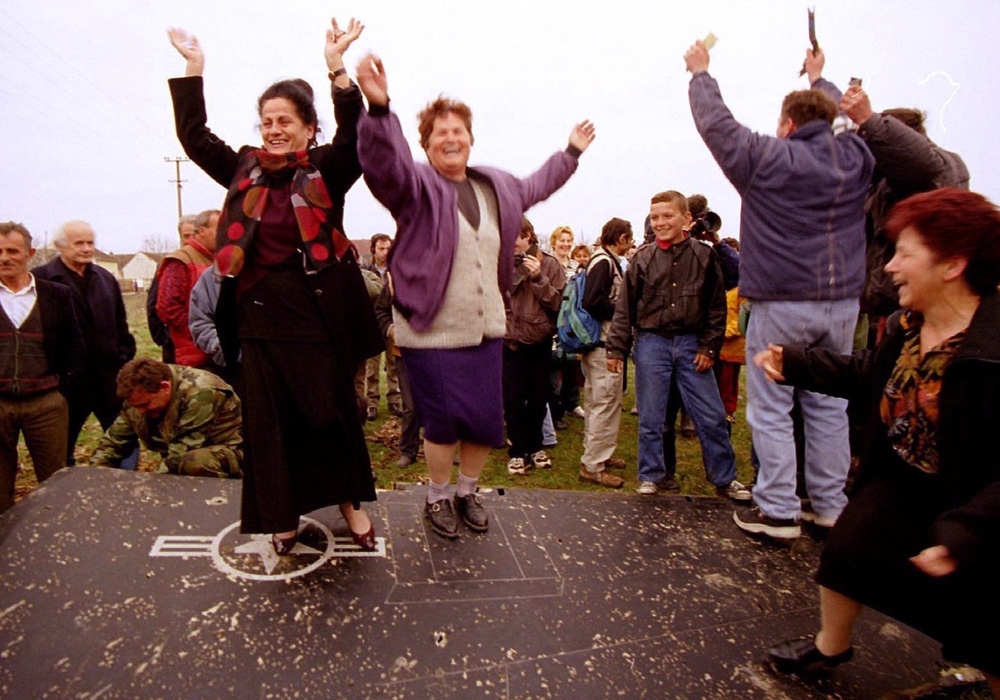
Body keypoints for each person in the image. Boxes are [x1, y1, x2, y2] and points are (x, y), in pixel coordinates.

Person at [758, 189, 1000, 693]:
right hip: (905, 477)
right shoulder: (909, 326)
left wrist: (966, 533)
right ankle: (831, 646)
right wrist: (799, 364)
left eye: (905, 253)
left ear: (953, 264)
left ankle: (977, 668)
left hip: (977, 500)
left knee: (980, 607)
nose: (890, 266)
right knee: (847, 548)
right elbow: (874, 373)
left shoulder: (992, 352)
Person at [355, 52, 595, 539]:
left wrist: (569, 153)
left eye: (457, 130)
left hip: (487, 327)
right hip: (432, 331)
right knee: (443, 422)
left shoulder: (497, 186)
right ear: (425, 144)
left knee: (485, 421)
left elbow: (537, 184)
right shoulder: (415, 185)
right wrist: (379, 111)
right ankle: (438, 495)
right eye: (439, 132)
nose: (450, 137)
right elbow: (384, 167)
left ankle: (467, 491)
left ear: (470, 138)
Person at [167, 17, 382, 554]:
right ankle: (281, 516)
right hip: (259, 314)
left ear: (310, 127)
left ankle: (350, 503)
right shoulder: (243, 169)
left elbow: (357, 135)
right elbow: (195, 138)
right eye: (267, 121)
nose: (274, 129)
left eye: (285, 120)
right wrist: (193, 70)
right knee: (272, 424)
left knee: (331, 413)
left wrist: (336, 68)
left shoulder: (329, 167)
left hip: (318, 312)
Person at [686, 39, 874, 539]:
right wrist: (819, 79)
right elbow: (847, 123)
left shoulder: (766, 158)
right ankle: (830, 505)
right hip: (842, 305)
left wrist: (701, 72)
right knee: (829, 404)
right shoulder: (855, 158)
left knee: (771, 405)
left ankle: (778, 509)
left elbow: (717, 125)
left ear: (787, 126)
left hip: (781, 301)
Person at [804, 49, 970, 333]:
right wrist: (817, 79)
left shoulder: (933, 169)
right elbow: (843, 132)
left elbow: (917, 163)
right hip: (894, 307)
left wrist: (870, 120)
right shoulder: (883, 182)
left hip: (920, 309)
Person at [606, 191, 750, 502]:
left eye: (667, 215)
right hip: (651, 343)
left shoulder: (704, 255)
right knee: (652, 417)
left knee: (711, 416)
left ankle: (725, 478)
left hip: (691, 345)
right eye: (655, 217)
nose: (660, 222)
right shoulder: (641, 259)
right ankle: (651, 476)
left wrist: (709, 348)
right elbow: (625, 308)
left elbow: (715, 307)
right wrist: (616, 349)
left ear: (686, 219)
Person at [33, 220, 137, 467]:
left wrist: (123, 358)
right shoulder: (41, 280)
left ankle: (126, 488)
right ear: (60, 246)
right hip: (66, 384)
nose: (87, 248)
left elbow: (120, 326)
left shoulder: (105, 279)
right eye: (79, 243)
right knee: (61, 447)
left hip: (109, 379)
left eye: (90, 242)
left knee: (125, 441)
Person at [0, 222, 85, 512]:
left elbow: (75, 346)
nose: (4, 257)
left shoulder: (55, 294)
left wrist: (62, 392)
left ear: (30, 253)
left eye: (12, 250)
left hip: (46, 403)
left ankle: (53, 538)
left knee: (54, 481)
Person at [92, 358, 242, 478]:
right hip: (180, 457)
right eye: (136, 406)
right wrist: (92, 477)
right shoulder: (138, 398)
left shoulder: (202, 393)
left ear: (165, 387)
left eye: (146, 405)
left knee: (195, 461)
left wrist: (151, 490)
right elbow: (113, 443)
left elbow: (181, 452)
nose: (140, 411)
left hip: (229, 454)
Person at [503, 218, 565, 475]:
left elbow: (557, 303)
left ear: (529, 236)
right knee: (513, 399)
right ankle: (517, 451)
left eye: (516, 236)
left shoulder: (550, 264)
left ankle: (535, 446)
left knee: (539, 398)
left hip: (539, 339)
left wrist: (538, 276)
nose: (512, 242)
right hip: (510, 340)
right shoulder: (501, 264)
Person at [577, 217, 633, 489]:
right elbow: (592, 302)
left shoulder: (603, 259)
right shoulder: (604, 262)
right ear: (621, 237)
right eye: (629, 237)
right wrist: (624, 312)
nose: (631, 243)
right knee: (604, 402)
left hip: (601, 345)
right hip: (603, 344)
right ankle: (593, 465)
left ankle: (600, 453)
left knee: (599, 402)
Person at [156, 208, 219, 370]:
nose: (224, 233)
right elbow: (167, 308)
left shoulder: (218, 260)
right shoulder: (180, 261)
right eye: (219, 229)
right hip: (194, 357)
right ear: (202, 231)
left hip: (217, 352)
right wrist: (200, 333)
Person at [548, 225, 585, 427]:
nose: (566, 244)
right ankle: (555, 410)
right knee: (556, 364)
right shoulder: (549, 264)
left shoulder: (576, 265)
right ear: (554, 243)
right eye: (562, 240)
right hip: (555, 319)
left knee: (573, 362)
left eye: (568, 240)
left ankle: (573, 402)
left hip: (573, 321)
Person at [362, 233, 401, 420]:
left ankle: (394, 400)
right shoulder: (366, 270)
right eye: (381, 249)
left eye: (388, 248)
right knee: (372, 366)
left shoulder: (397, 270)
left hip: (392, 323)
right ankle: (372, 403)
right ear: (373, 250)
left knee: (393, 364)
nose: (385, 252)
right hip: (372, 323)